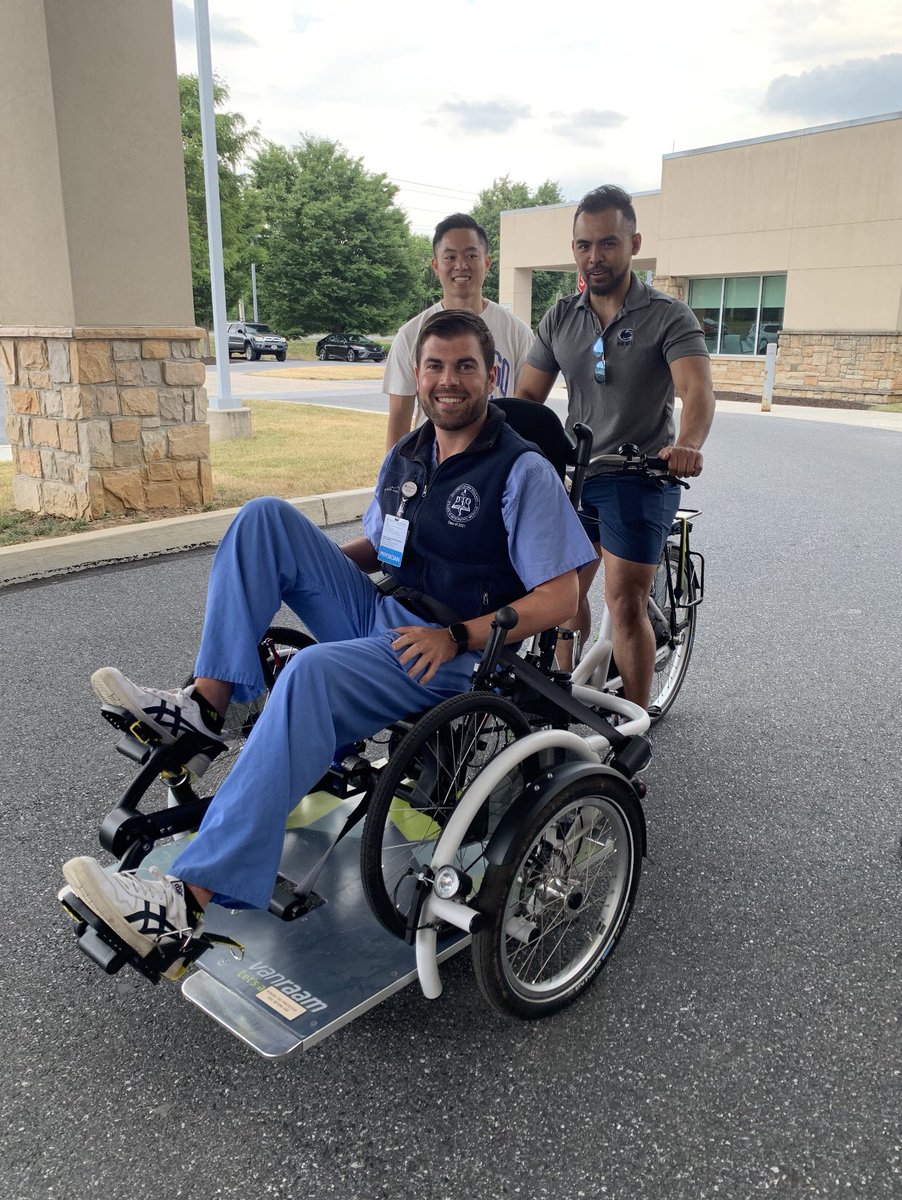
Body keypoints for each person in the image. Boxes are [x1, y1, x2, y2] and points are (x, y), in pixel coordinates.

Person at [61, 310, 596, 966]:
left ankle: (184, 901)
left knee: (309, 673)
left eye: (464, 366)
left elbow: (562, 597)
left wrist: (456, 637)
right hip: (382, 612)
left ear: (492, 375)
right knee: (263, 520)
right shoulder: (410, 453)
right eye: (435, 366)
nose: (447, 380)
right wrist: (303, 561)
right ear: (418, 374)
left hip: (450, 651)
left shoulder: (521, 472)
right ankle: (202, 709)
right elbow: (383, 541)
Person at [516, 184, 715, 707]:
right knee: (554, 593)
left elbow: (696, 389)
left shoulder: (669, 316)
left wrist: (688, 443)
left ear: (633, 243)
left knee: (624, 602)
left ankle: (634, 729)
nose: (594, 256)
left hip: (642, 474)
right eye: (583, 245)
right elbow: (528, 399)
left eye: (607, 243)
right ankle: (560, 694)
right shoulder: (561, 316)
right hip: (580, 472)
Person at [383, 213, 534, 450]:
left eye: (471, 255)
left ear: (486, 262)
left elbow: (527, 412)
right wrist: (393, 477)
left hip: (498, 460)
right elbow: (400, 417)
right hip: (434, 463)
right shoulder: (410, 334)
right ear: (436, 265)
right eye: (450, 256)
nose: (461, 265)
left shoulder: (518, 333)